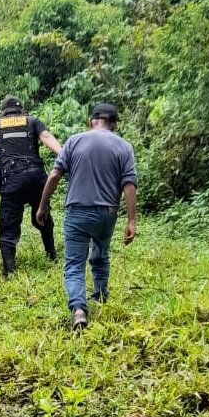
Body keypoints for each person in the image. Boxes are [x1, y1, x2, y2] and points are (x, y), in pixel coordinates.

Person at [36, 103, 137, 331]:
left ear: (91, 121)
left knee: (73, 264)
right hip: (107, 214)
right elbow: (129, 185)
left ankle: (79, 310)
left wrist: (43, 206)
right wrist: (131, 220)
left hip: (77, 213)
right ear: (114, 124)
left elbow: (54, 175)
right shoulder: (124, 147)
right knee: (101, 256)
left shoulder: (74, 141)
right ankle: (100, 297)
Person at [0, 95, 63, 276]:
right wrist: (64, 154)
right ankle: (52, 255)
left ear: (2, 111)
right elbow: (47, 137)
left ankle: (10, 269)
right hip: (37, 178)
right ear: (22, 110)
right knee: (42, 216)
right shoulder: (32, 121)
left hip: (12, 180)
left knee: (8, 224)